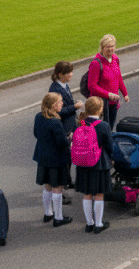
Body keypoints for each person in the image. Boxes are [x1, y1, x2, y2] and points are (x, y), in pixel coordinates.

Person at [74, 97, 114, 234]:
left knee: (87, 194)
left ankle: (89, 223)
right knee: (98, 195)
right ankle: (98, 224)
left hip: (83, 162)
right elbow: (109, 146)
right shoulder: (103, 126)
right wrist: (111, 159)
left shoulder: (81, 123)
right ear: (100, 109)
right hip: (99, 163)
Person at [33, 93, 73, 227]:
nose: (62, 104)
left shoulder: (39, 116)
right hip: (57, 158)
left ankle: (48, 213)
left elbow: (35, 134)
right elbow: (62, 142)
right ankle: (58, 217)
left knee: (47, 186)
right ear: (53, 105)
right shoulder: (55, 121)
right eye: (60, 102)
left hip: (43, 156)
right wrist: (69, 139)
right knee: (57, 187)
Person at [49, 61, 84, 197]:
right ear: (60, 74)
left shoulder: (64, 85)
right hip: (63, 128)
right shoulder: (55, 90)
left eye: (71, 71)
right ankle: (61, 188)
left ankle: (67, 181)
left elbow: (66, 104)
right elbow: (57, 111)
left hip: (70, 127)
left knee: (69, 158)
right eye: (68, 73)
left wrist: (73, 105)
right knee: (64, 160)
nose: (71, 75)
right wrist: (74, 107)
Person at [88, 34, 129, 129]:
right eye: (108, 47)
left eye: (112, 46)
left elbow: (118, 77)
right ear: (102, 48)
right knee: (101, 129)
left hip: (113, 102)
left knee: (110, 127)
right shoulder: (96, 63)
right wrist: (108, 95)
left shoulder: (115, 58)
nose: (110, 49)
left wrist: (125, 93)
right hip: (100, 105)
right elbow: (92, 86)